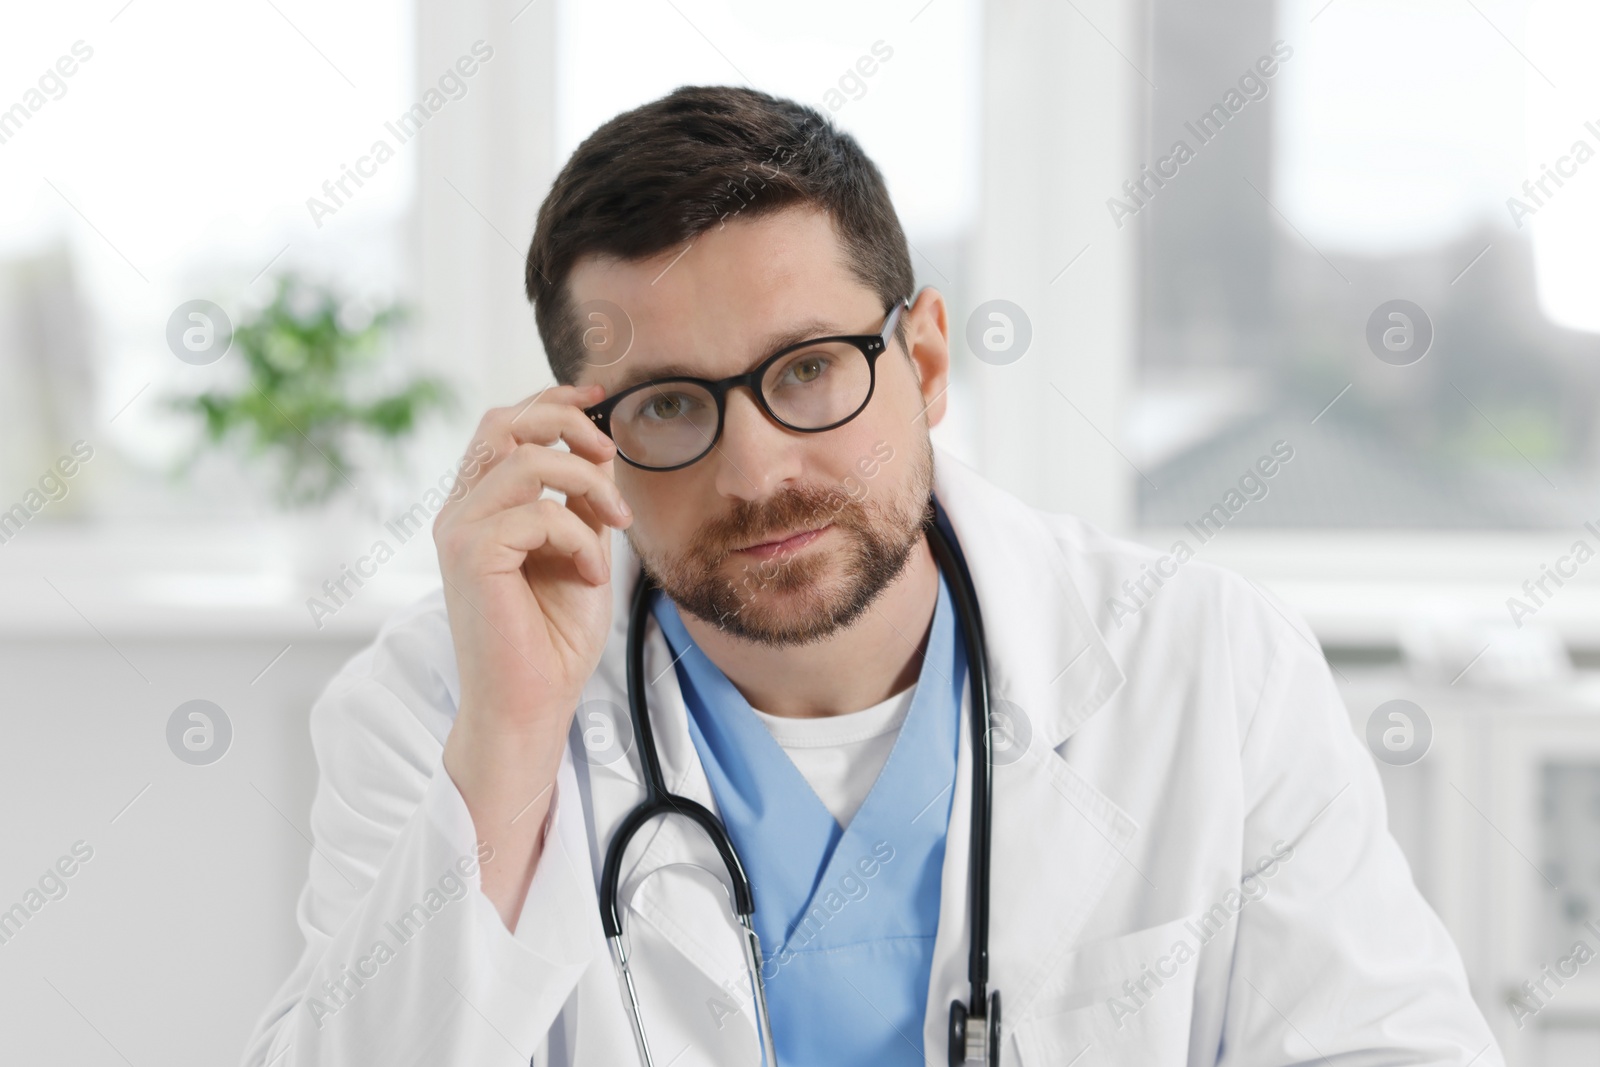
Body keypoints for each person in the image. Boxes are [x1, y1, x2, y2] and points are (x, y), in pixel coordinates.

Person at [241, 85, 1502, 1066]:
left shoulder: (1209, 668)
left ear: (929, 359)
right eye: (671, 403)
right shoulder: (433, 710)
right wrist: (512, 741)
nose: (754, 470)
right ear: (585, 434)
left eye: (806, 370)